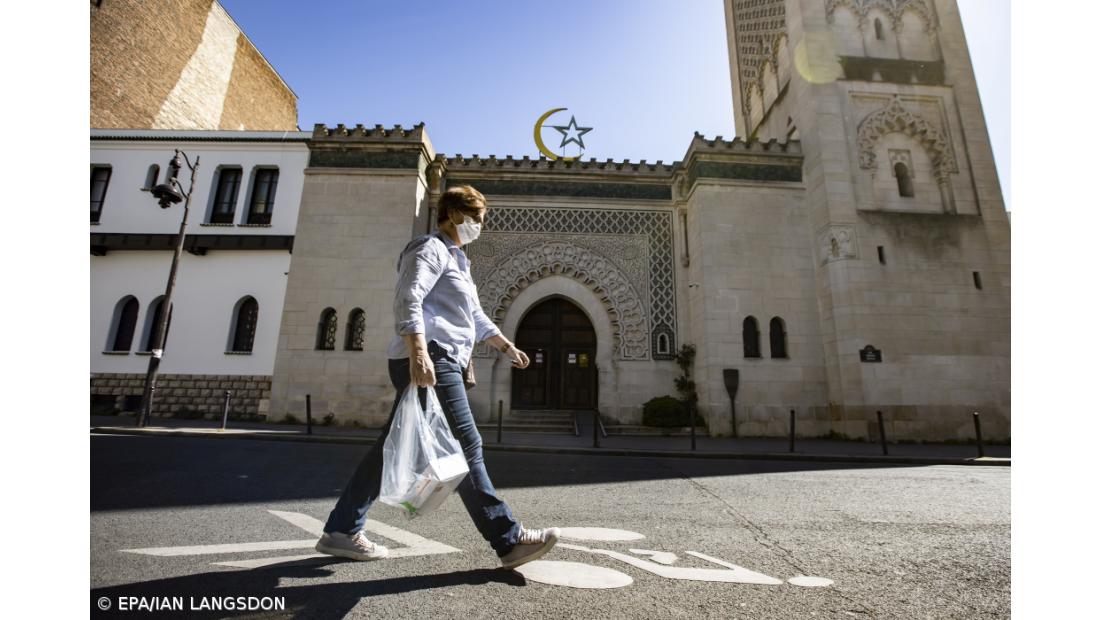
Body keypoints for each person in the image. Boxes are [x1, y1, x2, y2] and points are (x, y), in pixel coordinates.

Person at [315, 184, 560, 570]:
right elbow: (408, 297)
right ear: (453, 215)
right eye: (476, 219)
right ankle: (508, 539)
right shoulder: (427, 248)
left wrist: (505, 346)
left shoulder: (458, 261)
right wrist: (418, 352)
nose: (479, 226)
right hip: (432, 357)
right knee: (466, 443)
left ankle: (341, 530)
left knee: (388, 449)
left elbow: (473, 317)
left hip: (441, 358)